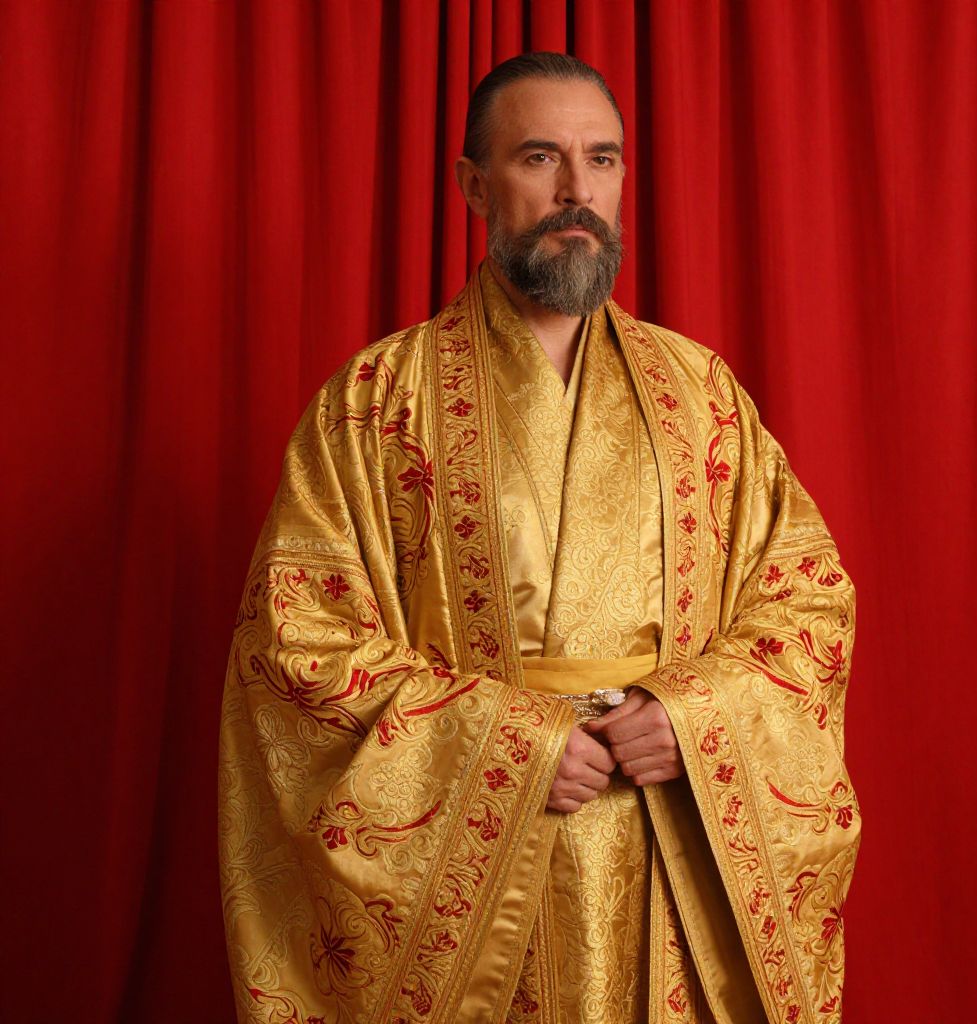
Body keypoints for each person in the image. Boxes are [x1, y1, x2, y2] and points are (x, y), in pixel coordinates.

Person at [219, 52, 860, 1024]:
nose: (576, 190)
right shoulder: (375, 406)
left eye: (600, 159)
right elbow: (298, 648)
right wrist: (508, 748)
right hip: (482, 894)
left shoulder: (702, 398)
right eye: (538, 158)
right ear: (474, 185)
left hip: (666, 866)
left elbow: (807, 604)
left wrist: (690, 714)